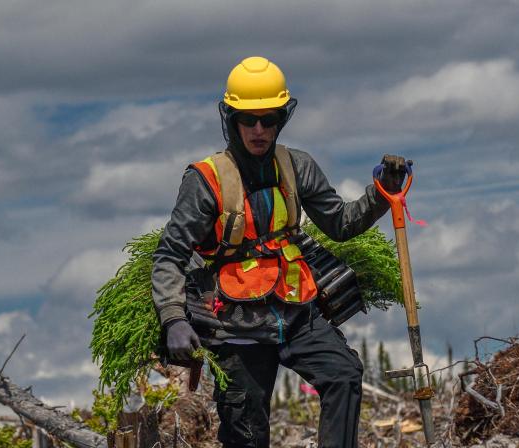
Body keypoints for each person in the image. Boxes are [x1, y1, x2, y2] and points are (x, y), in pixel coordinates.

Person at [151, 55, 408, 448]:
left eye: (268, 119)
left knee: (344, 374)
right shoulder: (206, 180)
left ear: (281, 119)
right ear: (231, 119)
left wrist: (382, 192)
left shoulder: (297, 166)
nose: (258, 129)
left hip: (295, 310)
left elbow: (340, 223)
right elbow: (170, 255)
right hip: (235, 326)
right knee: (248, 432)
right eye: (248, 119)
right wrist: (173, 319)